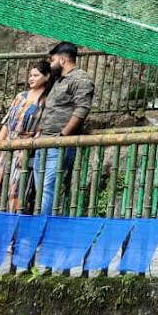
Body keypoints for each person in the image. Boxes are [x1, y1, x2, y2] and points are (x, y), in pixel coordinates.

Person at [37, 42, 94, 215]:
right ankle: (41, 225)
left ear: (62, 60)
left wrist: (63, 135)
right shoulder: (58, 80)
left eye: (52, 60)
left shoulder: (81, 79)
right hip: (43, 142)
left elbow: (82, 109)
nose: (50, 64)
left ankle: (43, 229)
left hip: (59, 143)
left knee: (48, 188)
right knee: (40, 189)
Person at [0, 58, 53, 213]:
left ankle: (11, 228)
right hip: (6, 145)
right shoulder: (20, 96)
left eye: (36, 75)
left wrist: (27, 149)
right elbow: (7, 121)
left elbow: (41, 128)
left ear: (46, 77)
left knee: (16, 189)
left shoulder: (46, 101)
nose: (31, 78)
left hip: (24, 148)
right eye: (30, 75)